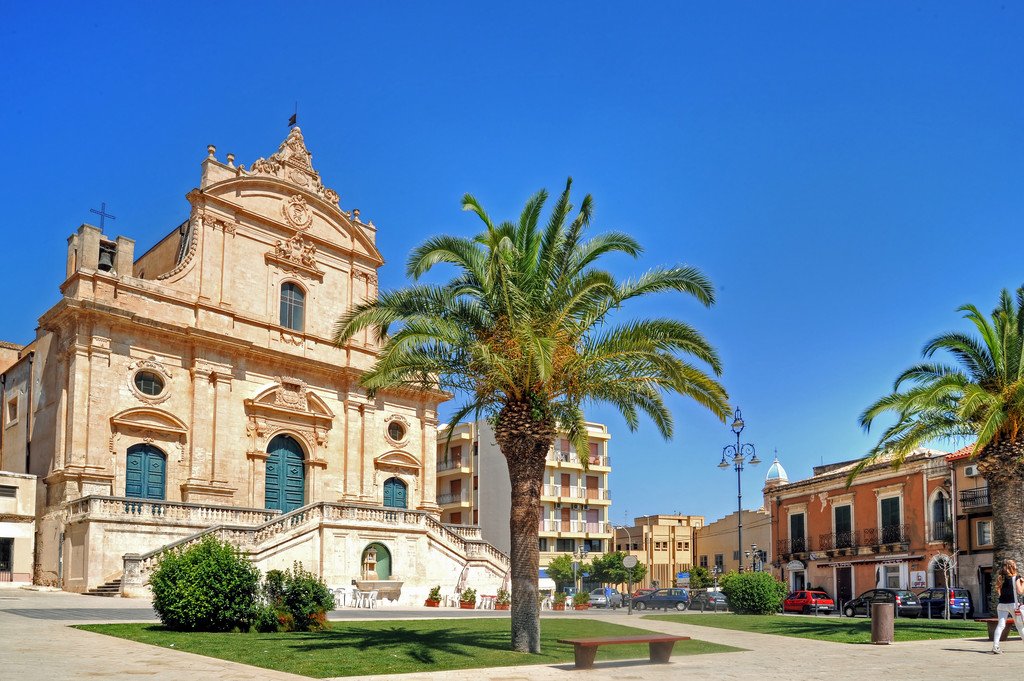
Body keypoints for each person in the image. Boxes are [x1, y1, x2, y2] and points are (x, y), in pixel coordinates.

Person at [991, 558, 1024, 654]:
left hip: (1001, 605)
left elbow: (999, 593)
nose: (1016, 566)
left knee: (1000, 626)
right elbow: (1020, 591)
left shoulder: (1000, 577)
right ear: (1011, 566)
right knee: (1020, 626)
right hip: (1013, 605)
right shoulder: (1016, 577)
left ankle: (995, 646)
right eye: (1014, 564)